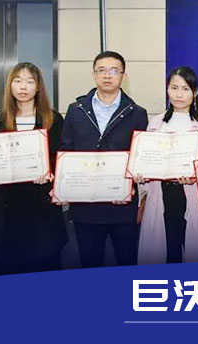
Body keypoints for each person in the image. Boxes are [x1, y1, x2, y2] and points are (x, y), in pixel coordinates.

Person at [0, 62, 66, 275]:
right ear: (10, 85)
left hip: (41, 203)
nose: (23, 87)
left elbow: (60, 157)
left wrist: (50, 172)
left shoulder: (53, 119)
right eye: (18, 81)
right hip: (7, 204)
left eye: (30, 82)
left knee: (44, 266)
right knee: (6, 267)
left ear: (38, 87)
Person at [59, 51, 148, 268]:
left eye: (114, 71)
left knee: (127, 263)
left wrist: (136, 177)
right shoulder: (76, 110)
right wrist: (63, 187)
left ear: (123, 76)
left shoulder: (137, 113)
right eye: (102, 70)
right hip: (85, 206)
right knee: (90, 264)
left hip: (122, 204)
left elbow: (141, 156)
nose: (107, 75)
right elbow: (66, 151)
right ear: (94, 74)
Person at [136, 66, 198, 264]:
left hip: (193, 195)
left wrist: (196, 174)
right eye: (174, 88)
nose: (179, 94)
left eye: (186, 89)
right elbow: (146, 160)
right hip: (162, 193)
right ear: (167, 90)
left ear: (195, 92)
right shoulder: (156, 123)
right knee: (165, 249)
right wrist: (141, 175)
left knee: (193, 249)